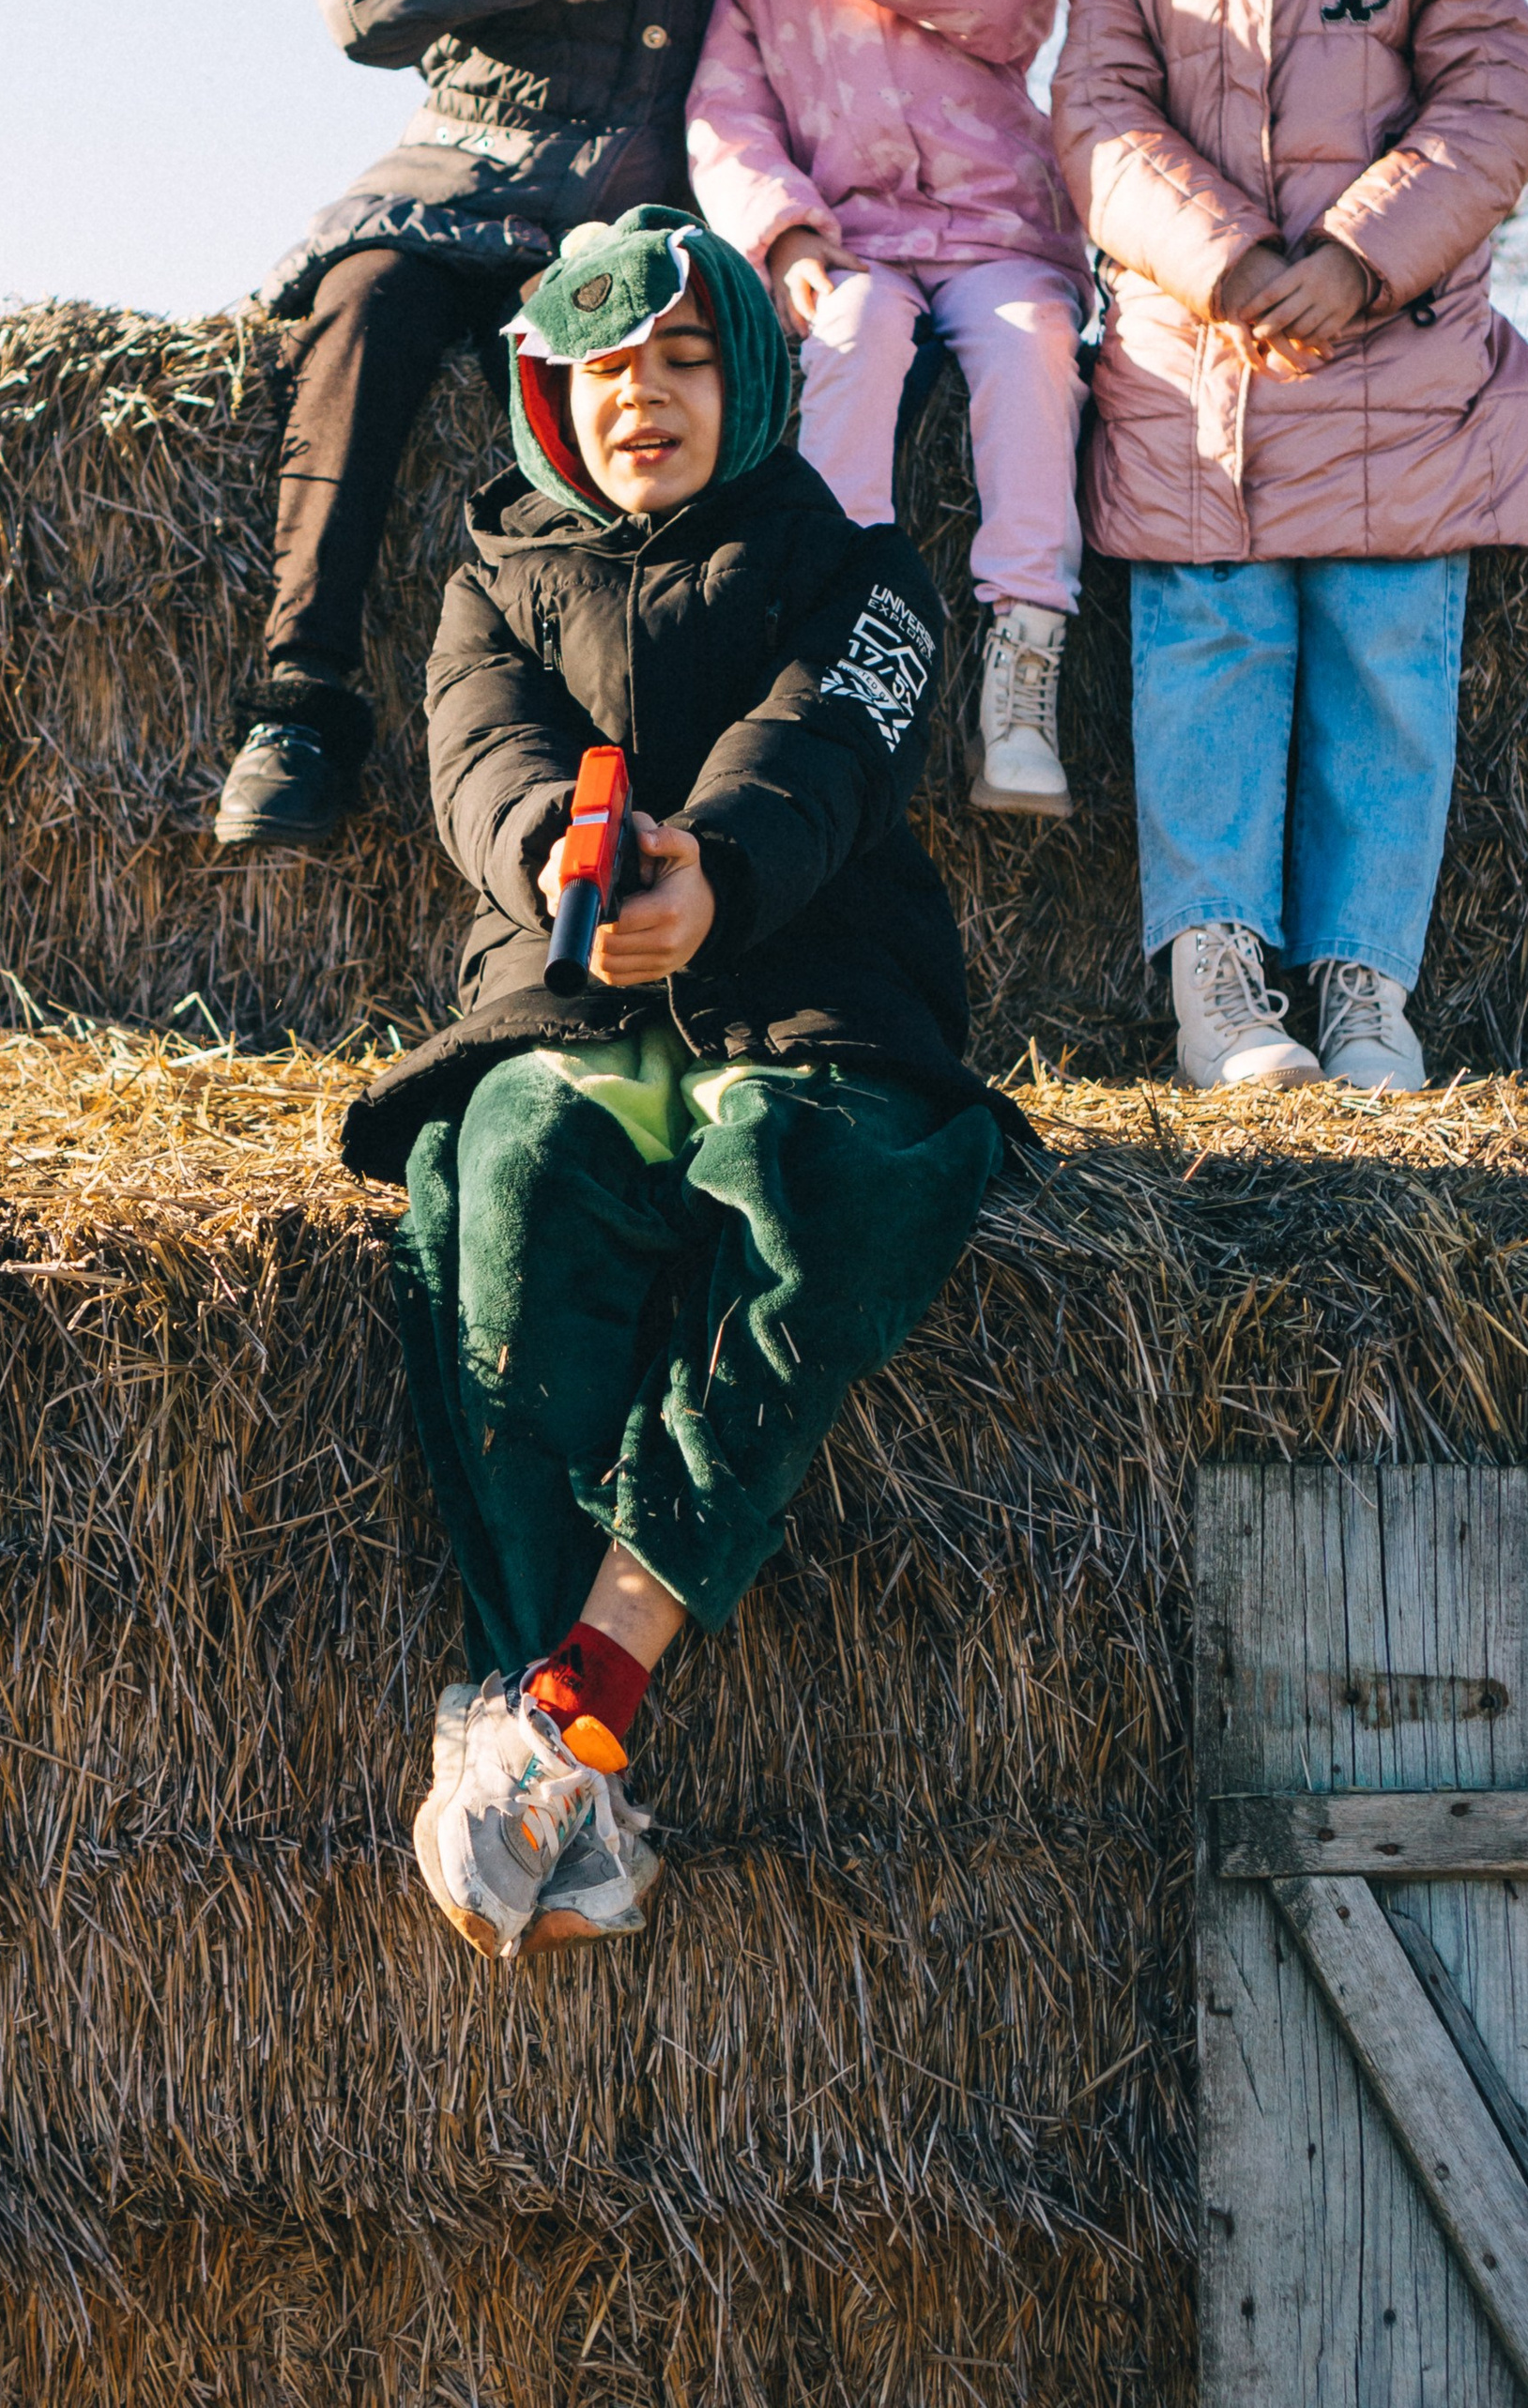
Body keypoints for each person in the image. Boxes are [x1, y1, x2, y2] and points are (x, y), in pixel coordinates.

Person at [337, 203, 1021, 1958]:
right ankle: (543, 1724)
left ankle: (587, 1683)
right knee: (507, 1179)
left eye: (689, 361)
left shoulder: (865, 569)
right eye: (608, 370)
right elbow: (481, 764)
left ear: (755, 379)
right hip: (569, 1012)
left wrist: (707, 876)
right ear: (550, 401)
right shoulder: (489, 578)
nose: (648, 395)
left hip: (807, 997)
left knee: (829, 1184)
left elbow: (823, 746)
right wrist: (567, 887)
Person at [1051, 0, 1528, 1094]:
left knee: (1389, 668)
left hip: (1394, 359)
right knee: (1210, 659)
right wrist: (1232, 261)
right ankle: (1221, 981)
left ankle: (1363, 985)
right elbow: (1098, 115)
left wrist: (1356, 259)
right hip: (1195, 369)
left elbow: (1494, 99)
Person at [217, 0, 749, 851]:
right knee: (363, 315)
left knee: (619, 385)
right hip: (444, 207)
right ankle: (300, 705)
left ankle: (605, 740)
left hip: (591, 245)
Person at [686, 0, 1090, 816]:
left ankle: (1023, 656)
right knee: (849, 343)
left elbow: (1009, 3)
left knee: (1028, 357)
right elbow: (727, 127)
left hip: (996, 241)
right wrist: (787, 239)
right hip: (858, 241)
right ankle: (838, 622)